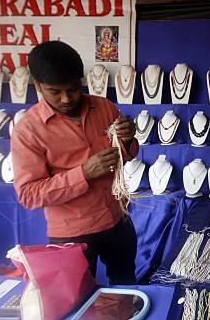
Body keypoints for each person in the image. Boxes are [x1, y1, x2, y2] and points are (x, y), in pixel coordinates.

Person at [11, 40, 138, 285]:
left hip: (117, 219)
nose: (67, 98)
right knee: (76, 299)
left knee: (126, 287)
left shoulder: (103, 106)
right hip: (72, 232)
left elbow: (126, 155)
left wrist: (128, 138)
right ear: (37, 85)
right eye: (55, 92)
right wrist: (83, 173)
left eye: (73, 88)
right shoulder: (27, 130)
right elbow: (28, 194)